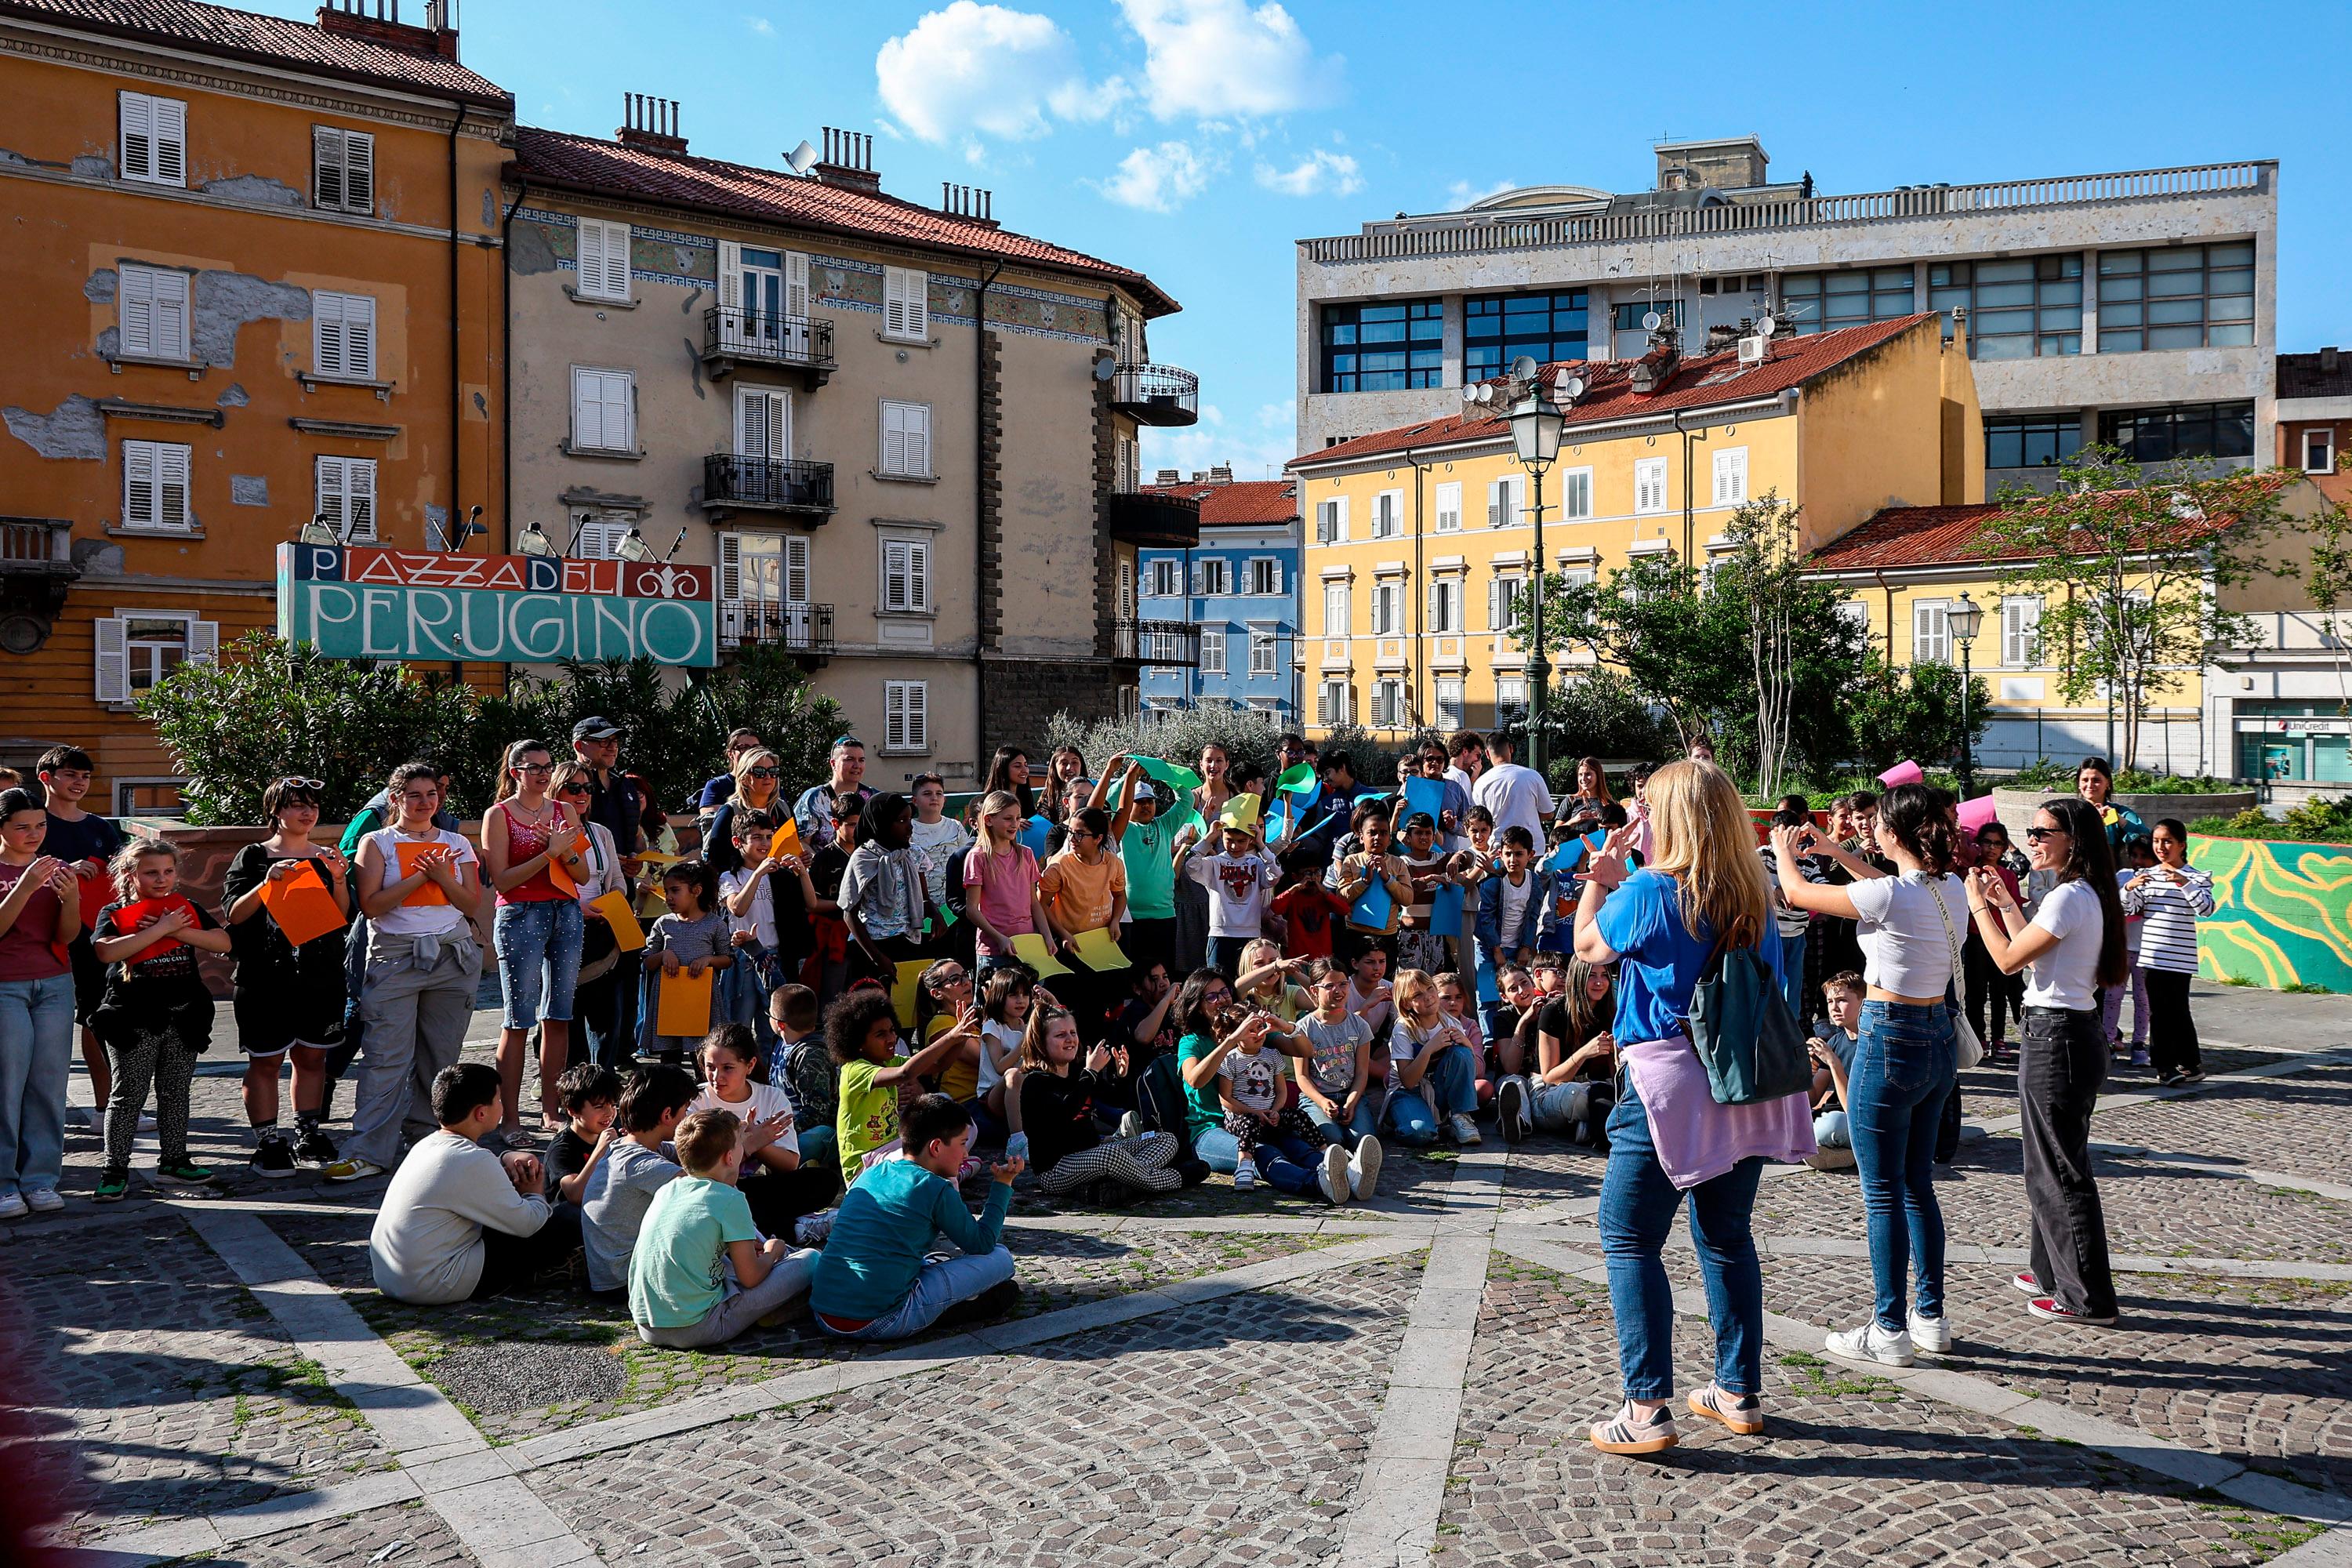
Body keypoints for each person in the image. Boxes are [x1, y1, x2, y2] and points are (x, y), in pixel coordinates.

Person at [1573, 760, 1808, 1454]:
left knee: (1628, 1236)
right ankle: (1737, 1390)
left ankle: (1646, 1409)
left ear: (1671, 819)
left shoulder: (1650, 890)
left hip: (1666, 1084)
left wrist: (1599, 876)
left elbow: (1588, 948)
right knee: (1727, 1236)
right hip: (1743, 1080)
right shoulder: (1756, 891)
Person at [1769, 782, 1964, 1367]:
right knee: (1916, 1186)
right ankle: (1929, 1316)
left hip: (1890, 1034)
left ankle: (1888, 1328)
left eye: (1878, 823)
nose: (1870, 830)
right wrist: (1835, 850)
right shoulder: (1947, 887)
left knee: (1881, 1194)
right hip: (1937, 1038)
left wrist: (1784, 847)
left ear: (1895, 834)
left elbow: (1797, 892)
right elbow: (1878, 881)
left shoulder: (1888, 895)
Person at [1965, 795, 2125, 1327]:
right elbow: (2032, 949)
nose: (2030, 840)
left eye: (2042, 832)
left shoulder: (2069, 898)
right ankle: (2052, 1271)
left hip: (2057, 1036)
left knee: (2058, 1169)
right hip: (2064, 1031)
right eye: (2029, 832)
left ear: (2073, 841)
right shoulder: (2080, 894)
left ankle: (2086, 1297)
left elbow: (2009, 961)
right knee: (2048, 1163)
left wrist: (1977, 908)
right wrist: (2005, 904)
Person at [332, 762, 484, 1184]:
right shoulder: (376, 842)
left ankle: (427, 1141)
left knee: (440, 1057)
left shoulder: (456, 842)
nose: (424, 803)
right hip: (395, 958)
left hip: (452, 957)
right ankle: (368, 1151)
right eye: (414, 795)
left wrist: (440, 875)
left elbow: (470, 905)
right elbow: (372, 906)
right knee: (385, 1058)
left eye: (431, 794)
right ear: (395, 799)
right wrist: (421, 875)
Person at [87, 838, 231, 1200]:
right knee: (127, 1094)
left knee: (175, 1091)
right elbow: (105, 951)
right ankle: (114, 1169)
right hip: (133, 1017)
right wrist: (156, 930)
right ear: (130, 874)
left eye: (168, 871)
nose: (161, 879)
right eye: (151, 872)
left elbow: (223, 942)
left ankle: (174, 1161)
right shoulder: (115, 911)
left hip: (183, 1014)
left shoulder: (186, 908)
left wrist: (176, 929)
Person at [222, 776, 352, 1177]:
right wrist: (266, 884)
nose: (306, 811)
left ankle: (308, 1132)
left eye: (311, 804)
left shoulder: (326, 856)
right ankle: (267, 1141)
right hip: (265, 978)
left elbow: (342, 916)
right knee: (266, 1061)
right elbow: (233, 914)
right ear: (276, 811)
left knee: (313, 1057)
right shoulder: (253, 856)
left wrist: (339, 877)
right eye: (296, 804)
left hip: (320, 976)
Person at [809, 1093, 1020, 1339]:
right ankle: (949, 1312)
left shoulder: (870, 1173)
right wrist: (1003, 1184)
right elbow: (982, 1243)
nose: (965, 1155)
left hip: (823, 1315)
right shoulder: (934, 1187)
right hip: (881, 1319)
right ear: (936, 1147)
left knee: (924, 1259)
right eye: (962, 1143)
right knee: (1002, 1257)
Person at [368, 1063, 580, 1305]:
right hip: (435, 1283)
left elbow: (470, 1179)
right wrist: (534, 1194)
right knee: (566, 1217)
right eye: (499, 1101)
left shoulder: (427, 1145)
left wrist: (504, 1159)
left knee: (503, 1212)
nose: (503, 1107)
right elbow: (528, 1225)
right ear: (481, 1113)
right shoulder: (471, 1159)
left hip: (392, 1279)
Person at [627, 1107, 818, 1346]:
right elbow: (750, 1278)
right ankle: (776, 1309)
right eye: (741, 1143)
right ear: (730, 1157)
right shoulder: (729, 1199)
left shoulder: (668, 1189)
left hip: (647, 1325)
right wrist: (772, 1252)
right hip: (699, 1326)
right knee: (810, 1259)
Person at [483, 739, 591, 1138]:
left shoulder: (563, 809)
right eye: (534, 767)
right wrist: (549, 852)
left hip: (566, 911)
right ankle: (510, 1119)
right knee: (518, 1019)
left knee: (559, 1016)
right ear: (515, 772)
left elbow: (581, 876)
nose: (544, 773)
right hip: (520, 913)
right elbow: (502, 880)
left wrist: (566, 852)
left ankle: (552, 1110)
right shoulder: (499, 815)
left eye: (547, 766)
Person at [0, 787, 79, 1218]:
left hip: (54, 984)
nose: (34, 834)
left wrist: (72, 900)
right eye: (22, 827)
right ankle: (3, 1184)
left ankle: (41, 1179)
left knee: (49, 1085)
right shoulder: (21, 872)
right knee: (5, 1085)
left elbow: (66, 936)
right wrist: (26, 887)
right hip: (5, 985)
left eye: (41, 825)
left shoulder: (57, 869)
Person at [1016, 1002, 1183, 1201]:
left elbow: (1117, 1100)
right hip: (1056, 1169)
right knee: (1110, 1154)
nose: (1070, 1040)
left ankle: (1118, 1184)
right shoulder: (1036, 1082)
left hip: (1094, 1154)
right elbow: (1062, 1117)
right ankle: (1175, 1178)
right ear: (1041, 1042)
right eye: (1061, 1035)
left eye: (1073, 1033)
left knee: (1166, 1139)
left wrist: (1122, 1076)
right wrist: (1091, 1073)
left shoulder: (1078, 1073)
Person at [36, 746, 126, 1113]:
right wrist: (63, 871)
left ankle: (108, 1107)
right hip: (40, 937)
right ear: (47, 777)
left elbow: (124, 876)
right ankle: (40, 1110)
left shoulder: (100, 827)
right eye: (71, 774)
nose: (80, 782)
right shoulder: (31, 823)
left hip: (95, 934)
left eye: (86, 776)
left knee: (98, 1015)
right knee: (42, 1029)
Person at [826, 985, 976, 1187]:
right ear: (857, 1042)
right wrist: (949, 1037)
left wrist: (960, 1037)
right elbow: (905, 1073)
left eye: (892, 1031)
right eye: (880, 1034)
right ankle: (952, 1176)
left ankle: (951, 1174)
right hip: (864, 1170)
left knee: (965, 1128)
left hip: (895, 1150)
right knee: (933, 1157)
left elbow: (941, 1065)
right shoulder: (854, 1070)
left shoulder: (890, 1061)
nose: (891, 1039)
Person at [695, 1024, 835, 1236]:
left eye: (728, 1068)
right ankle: (789, 1230)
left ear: (750, 1065)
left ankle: (760, 1229)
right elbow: (699, 1170)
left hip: (753, 1191)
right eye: (710, 1067)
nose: (717, 1076)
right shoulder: (696, 1100)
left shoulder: (771, 1097)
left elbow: (789, 1164)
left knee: (823, 1182)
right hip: (711, 1191)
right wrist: (749, 1142)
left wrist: (759, 1144)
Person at [580, 1064, 693, 1294]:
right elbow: (705, 1190)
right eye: (686, 1110)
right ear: (668, 1115)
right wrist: (733, 1147)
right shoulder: (638, 1162)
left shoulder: (631, 1146)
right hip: (623, 1281)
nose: (688, 1117)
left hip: (618, 1273)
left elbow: (693, 1154)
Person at [2122, 818, 2215, 1088]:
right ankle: (2164, 1066)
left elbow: (2206, 908)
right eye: (2157, 841)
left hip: (2181, 958)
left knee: (2179, 1012)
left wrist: (2184, 883)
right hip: (2151, 956)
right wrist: (2129, 888)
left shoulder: (2197, 877)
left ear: (2181, 845)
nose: (2161, 847)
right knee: (2159, 1013)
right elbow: (2129, 910)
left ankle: (2191, 1063)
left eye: (2167, 842)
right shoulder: (2148, 877)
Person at [1496, 954, 1617, 1146]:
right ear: (1578, 977)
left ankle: (1586, 1126)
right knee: (1582, 1094)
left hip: (1593, 1087)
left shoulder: (1610, 1011)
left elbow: (1615, 1073)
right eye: (1592, 976)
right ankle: (1522, 1118)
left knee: (1613, 1094)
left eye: (1604, 976)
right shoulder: (1553, 1011)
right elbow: (1551, 1077)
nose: (1599, 982)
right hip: (1549, 1092)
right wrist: (1585, 1052)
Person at [840, 794, 932, 993]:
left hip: (908, 939)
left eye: (910, 820)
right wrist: (876, 957)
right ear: (881, 823)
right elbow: (849, 913)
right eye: (901, 821)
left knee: (906, 1010)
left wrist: (936, 914)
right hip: (873, 946)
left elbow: (924, 896)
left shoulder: (912, 853)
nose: (910, 827)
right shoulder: (864, 858)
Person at [641, 860, 731, 1062]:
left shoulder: (714, 924)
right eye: (666, 891)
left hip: (701, 1000)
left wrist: (708, 960)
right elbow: (647, 961)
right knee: (669, 1059)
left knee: (702, 1055)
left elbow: (727, 959)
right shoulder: (664, 923)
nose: (669, 897)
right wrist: (664, 955)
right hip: (669, 1002)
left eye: (675, 890)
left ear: (696, 891)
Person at [1094, 761, 1178, 978]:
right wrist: (1127, 777)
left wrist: (1164, 771)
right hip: (1130, 918)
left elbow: (1186, 799)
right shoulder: (1120, 830)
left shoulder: (1165, 825)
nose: (1145, 805)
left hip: (1164, 916)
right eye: (1138, 801)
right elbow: (1105, 803)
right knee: (1132, 977)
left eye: (1149, 801)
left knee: (1163, 975)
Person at [718, 808, 791, 1053]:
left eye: (769, 837)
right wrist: (758, 874)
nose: (765, 843)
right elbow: (737, 908)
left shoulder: (778, 874)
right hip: (744, 958)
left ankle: (767, 1081)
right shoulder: (730, 876)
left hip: (773, 955)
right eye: (757, 837)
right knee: (739, 1026)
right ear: (738, 842)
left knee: (770, 1029)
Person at [1384, 968, 1482, 1148]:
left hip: (1437, 1088)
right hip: (1409, 1092)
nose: (1428, 997)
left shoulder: (1449, 1021)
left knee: (1462, 1052)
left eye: (1430, 989)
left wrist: (1467, 1044)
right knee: (1421, 1133)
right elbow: (1408, 1082)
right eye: (1418, 995)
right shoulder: (1403, 1029)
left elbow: (1469, 1068)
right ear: (1406, 1004)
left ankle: (1460, 1115)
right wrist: (1428, 1049)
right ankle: (1399, 1118)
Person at [1294, 959, 1383, 1156]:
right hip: (1317, 1098)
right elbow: (1302, 1077)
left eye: (1343, 984)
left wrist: (1351, 1102)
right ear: (1315, 990)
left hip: (1350, 1094)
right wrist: (1322, 1101)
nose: (1338, 990)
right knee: (1331, 1138)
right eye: (1329, 986)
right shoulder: (1303, 1027)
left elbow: (1361, 1072)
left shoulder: (1359, 1025)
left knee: (1363, 1140)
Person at [964, 791, 1050, 981]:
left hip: (1028, 947)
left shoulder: (1026, 855)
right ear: (988, 820)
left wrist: (1046, 936)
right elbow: (972, 909)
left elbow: (1034, 903)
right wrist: (999, 938)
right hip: (994, 951)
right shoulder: (978, 857)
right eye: (1008, 818)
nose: (1014, 824)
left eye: (1017, 818)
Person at [1177, 817, 1277, 977]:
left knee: (1249, 983)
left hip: (1250, 935)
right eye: (1229, 840)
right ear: (1221, 837)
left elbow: (1275, 876)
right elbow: (1191, 865)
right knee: (1218, 981)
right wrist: (1209, 838)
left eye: (1241, 841)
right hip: (1220, 934)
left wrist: (1261, 844)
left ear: (1250, 839)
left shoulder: (1256, 862)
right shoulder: (1214, 862)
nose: (1234, 846)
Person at [1961, 820, 2025, 1062]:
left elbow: (2014, 907)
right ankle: (1979, 1037)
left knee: (2001, 991)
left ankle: (1998, 1037)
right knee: (1975, 992)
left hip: (2003, 939)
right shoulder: (1969, 873)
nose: (1992, 848)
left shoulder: (2007, 875)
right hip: (1976, 938)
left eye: (1998, 843)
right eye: (1987, 842)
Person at [1331, 804, 1413, 967]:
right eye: (1372, 833)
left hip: (1387, 934)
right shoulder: (1352, 861)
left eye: (1383, 833)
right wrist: (1364, 881)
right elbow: (1341, 898)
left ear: (1390, 838)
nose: (1377, 838)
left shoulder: (1397, 864)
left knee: (1383, 980)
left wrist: (1387, 878)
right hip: (1356, 932)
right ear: (1362, 837)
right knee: (1355, 978)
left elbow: (1407, 899)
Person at [767, 984, 835, 1174]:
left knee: (813, 1139)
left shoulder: (811, 1056)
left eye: (770, 1015)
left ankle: (807, 1167)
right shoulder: (781, 1043)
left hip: (816, 1131)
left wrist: (781, 1133)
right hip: (785, 1126)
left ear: (780, 1024)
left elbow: (817, 1112)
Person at [907, 773, 974, 954]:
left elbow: (966, 861)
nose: (934, 797)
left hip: (952, 908)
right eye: (927, 793)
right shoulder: (908, 829)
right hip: (920, 909)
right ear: (915, 800)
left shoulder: (955, 826)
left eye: (939, 793)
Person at [2106, 834, 2156, 1063]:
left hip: (2147, 950)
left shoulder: (2159, 880)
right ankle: (2109, 1041)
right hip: (2122, 948)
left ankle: (2139, 1044)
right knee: (2113, 997)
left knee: (2143, 1000)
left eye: (2144, 857)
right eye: (2134, 856)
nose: (2137, 861)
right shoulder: (2123, 876)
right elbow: (2113, 905)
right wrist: (2128, 887)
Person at [543, 1062, 620, 1206]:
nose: (609, 1113)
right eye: (599, 1107)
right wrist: (601, 1150)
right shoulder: (561, 1149)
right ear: (573, 1110)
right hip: (567, 1219)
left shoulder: (613, 1134)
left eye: (613, 1105)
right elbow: (575, 1195)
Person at [1806, 974, 1863, 1167]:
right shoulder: (1836, 1041)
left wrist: (1834, 1062)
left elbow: (1853, 1109)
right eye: (1830, 1001)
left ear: (1863, 1002)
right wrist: (1803, 1068)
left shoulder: (1870, 1044)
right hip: (1831, 1114)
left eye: (1842, 1001)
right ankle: (1839, 1153)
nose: (1834, 1008)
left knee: (1830, 1127)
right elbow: (1812, 1098)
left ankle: (1848, 1154)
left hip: (1856, 1120)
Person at [569, 718, 643, 865]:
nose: (612, 748)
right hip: (585, 882)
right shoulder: (567, 787)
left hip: (622, 882)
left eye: (615, 742)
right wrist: (605, 856)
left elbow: (636, 833)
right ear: (579, 746)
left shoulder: (626, 785)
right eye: (604, 741)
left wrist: (636, 859)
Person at [793, 736, 873, 854]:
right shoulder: (814, 798)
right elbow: (801, 842)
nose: (857, 765)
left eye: (861, 760)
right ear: (833, 764)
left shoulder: (873, 798)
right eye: (849, 759)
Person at [1471, 731, 1552, 844]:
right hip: (1531, 846)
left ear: (1488, 754)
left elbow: (1478, 819)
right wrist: (1529, 819)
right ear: (1511, 748)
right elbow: (1548, 813)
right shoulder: (1532, 776)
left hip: (1499, 847)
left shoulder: (1481, 783)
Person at [2074, 757, 2147, 856]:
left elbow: (2146, 839)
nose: (2090, 785)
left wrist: (2120, 821)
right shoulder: (2071, 812)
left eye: (2096, 780)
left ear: (2107, 783)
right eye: (2085, 780)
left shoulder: (2121, 812)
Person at [695, 730, 765, 822]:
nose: (750, 752)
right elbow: (709, 821)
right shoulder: (717, 785)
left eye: (756, 748)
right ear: (731, 754)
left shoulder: (769, 782)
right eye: (744, 748)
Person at [1553, 757, 1616, 837]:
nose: (1583, 778)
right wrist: (1574, 821)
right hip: (1574, 847)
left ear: (1598, 776)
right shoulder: (1571, 801)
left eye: (1588, 774)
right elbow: (1555, 834)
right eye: (1580, 775)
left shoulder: (1609, 804)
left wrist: (1601, 822)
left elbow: (1615, 832)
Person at [982, 745, 1037, 821]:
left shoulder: (1025, 797)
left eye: (1026, 765)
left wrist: (1039, 816)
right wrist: (1016, 823)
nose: (1025, 770)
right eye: (1017, 766)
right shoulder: (987, 801)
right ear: (1002, 769)